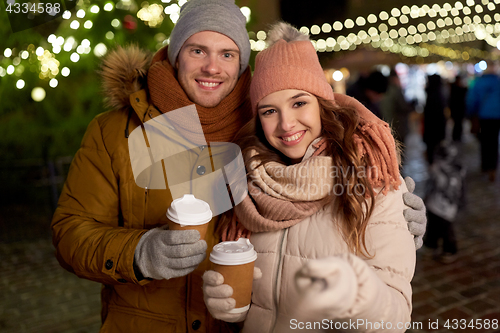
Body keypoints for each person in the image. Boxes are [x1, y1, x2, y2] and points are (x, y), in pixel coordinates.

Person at [51, 3, 426, 331]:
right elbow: (69, 232)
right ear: (176, 54)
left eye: (228, 54)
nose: (212, 66)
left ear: (242, 63)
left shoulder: (260, 131)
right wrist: (139, 251)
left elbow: (320, 190)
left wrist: (389, 212)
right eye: (198, 50)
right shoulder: (117, 132)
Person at [202, 22, 416, 333]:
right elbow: (261, 303)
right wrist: (234, 308)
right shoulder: (245, 184)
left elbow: (396, 317)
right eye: (269, 111)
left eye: (299, 103)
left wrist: (360, 295)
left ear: (322, 105)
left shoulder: (369, 180)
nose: (286, 124)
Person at [423, 141, 465, 264]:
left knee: (446, 230)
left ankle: (449, 249)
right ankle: (431, 245)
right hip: (436, 204)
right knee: (433, 227)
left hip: (446, 206)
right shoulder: (439, 169)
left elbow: (460, 190)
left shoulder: (456, 171)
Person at [466, 62, 500, 182]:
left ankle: (486, 166)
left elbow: (472, 99)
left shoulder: (479, 82)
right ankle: (493, 168)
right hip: (497, 117)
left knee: (485, 141)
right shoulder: (497, 81)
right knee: (494, 141)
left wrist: (471, 113)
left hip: (484, 116)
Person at [423, 74, 447, 165]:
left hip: (432, 129)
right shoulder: (437, 94)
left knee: (432, 152)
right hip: (435, 129)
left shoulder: (432, 94)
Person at [449, 74, 468, 142]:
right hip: (458, 110)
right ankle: (457, 137)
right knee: (458, 124)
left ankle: (456, 137)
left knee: (458, 124)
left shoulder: (453, 89)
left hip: (456, 109)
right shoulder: (458, 89)